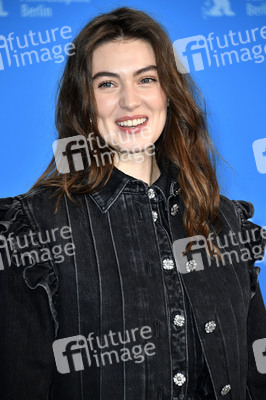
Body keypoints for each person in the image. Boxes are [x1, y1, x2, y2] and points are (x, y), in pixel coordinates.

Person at [0, 6, 265, 400]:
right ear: (84, 104)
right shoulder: (36, 228)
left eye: (146, 79)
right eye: (107, 84)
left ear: (169, 94)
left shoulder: (225, 222)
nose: (129, 102)